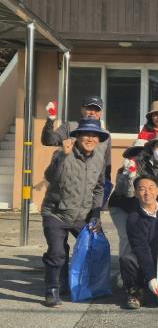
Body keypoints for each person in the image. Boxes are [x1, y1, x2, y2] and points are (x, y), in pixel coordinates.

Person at [41, 118, 109, 307]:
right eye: (86, 134)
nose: (90, 139)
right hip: (56, 212)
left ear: (99, 139)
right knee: (57, 253)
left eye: (94, 135)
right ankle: (52, 289)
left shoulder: (99, 159)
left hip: (83, 216)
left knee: (97, 248)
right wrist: (63, 156)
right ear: (78, 136)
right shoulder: (62, 153)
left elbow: (99, 188)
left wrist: (96, 214)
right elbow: (49, 176)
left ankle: (87, 285)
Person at [42, 95, 112, 205]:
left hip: (91, 193)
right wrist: (50, 120)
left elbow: (107, 166)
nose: (92, 113)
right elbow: (49, 140)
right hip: (69, 193)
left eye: (96, 110)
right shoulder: (70, 127)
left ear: (101, 112)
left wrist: (102, 197)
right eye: (89, 109)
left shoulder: (105, 135)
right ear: (82, 109)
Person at [121, 175, 158, 310]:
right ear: (136, 193)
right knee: (128, 259)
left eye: (151, 188)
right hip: (149, 256)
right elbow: (141, 249)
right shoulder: (134, 219)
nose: (147, 193)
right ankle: (135, 293)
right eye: (142, 189)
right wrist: (151, 277)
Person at [108, 139, 147, 279]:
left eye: (143, 153)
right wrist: (129, 175)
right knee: (126, 236)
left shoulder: (149, 170)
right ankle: (124, 273)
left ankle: (140, 270)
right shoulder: (123, 170)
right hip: (120, 206)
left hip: (137, 208)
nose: (139, 156)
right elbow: (126, 193)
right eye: (135, 153)